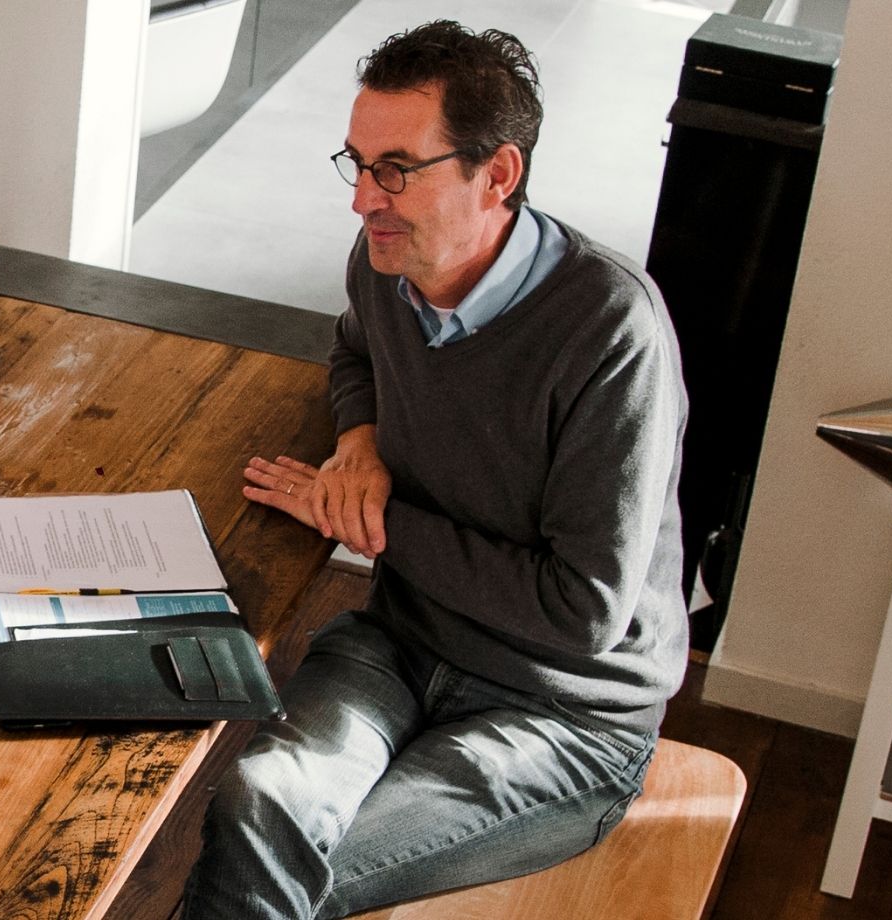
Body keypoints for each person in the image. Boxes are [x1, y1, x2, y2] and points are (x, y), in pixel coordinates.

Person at [194, 21, 689, 919]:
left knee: (270, 871)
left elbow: (580, 613)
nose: (363, 202)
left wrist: (371, 523)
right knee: (262, 807)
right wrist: (360, 443)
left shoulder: (612, 332)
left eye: (397, 169)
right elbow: (354, 355)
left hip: (564, 716)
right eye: (356, 164)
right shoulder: (386, 263)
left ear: (497, 175)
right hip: (404, 641)